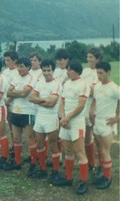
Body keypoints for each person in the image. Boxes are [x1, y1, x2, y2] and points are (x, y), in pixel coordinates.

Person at [53, 59, 89, 195]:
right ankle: (68, 178)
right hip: (65, 122)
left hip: (76, 122)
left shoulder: (84, 85)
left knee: (80, 152)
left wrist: (67, 118)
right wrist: (62, 118)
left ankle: (83, 182)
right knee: (67, 151)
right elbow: (62, 102)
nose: (67, 72)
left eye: (69, 70)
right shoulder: (67, 84)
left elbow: (81, 106)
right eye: (67, 70)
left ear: (76, 71)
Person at [29, 59, 62, 181]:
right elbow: (31, 98)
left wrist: (39, 101)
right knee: (39, 144)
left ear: (53, 70)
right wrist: (44, 101)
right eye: (44, 70)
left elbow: (52, 103)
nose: (46, 73)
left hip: (51, 117)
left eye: (49, 70)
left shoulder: (57, 84)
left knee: (53, 144)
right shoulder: (40, 83)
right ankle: (42, 169)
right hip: (40, 117)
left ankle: (56, 171)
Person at [89, 61, 119, 189]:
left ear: (108, 73)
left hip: (107, 123)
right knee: (99, 149)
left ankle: (108, 177)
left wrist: (116, 118)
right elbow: (94, 101)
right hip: (97, 122)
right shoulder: (97, 86)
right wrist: (91, 113)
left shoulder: (114, 88)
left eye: (101, 73)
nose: (99, 75)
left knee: (105, 151)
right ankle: (101, 172)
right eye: (97, 72)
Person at [6, 57, 37, 175]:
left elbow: (25, 94)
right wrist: (18, 92)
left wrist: (16, 93)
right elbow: (8, 92)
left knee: (30, 138)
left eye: (22, 66)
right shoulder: (15, 77)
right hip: (16, 111)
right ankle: (17, 162)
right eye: (18, 66)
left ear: (28, 67)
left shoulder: (32, 78)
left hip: (28, 112)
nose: (20, 69)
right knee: (17, 138)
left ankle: (34, 163)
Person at [81, 47, 103, 171]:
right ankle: (91, 163)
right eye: (88, 57)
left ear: (98, 58)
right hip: (84, 107)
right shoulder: (84, 71)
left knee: (98, 137)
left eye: (91, 57)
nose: (88, 59)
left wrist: (86, 90)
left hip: (95, 107)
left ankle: (101, 165)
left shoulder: (100, 72)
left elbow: (93, 92)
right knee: (87, 136)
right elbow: (82, 88)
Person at [2, 50, 19, 155]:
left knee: (15, 125)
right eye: (5, 60)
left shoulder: (18, 72)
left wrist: (8, 101)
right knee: (9, 123)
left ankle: (17, 144)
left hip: (14, 102)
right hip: (5, 102)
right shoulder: (5, 72)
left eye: (8, 60)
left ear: (15, 61)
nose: (6, 62)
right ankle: (13, 144)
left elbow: (16, 89)